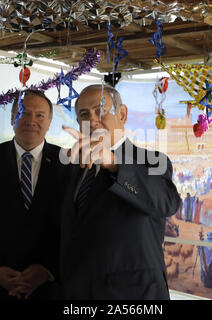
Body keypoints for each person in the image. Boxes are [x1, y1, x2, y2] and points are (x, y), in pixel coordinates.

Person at [59, 84, 180, 299]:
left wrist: (114, 163)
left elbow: (167, 203)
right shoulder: (73, 169)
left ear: (122, 114)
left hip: (133, 294)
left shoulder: (152, 161)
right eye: (84, 115)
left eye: (100, 110)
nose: (93, 120)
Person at [0, 90, 64, 300]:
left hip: (47, 290)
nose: (31, 121)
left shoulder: (67, 163)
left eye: (40, 115)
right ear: (11, 117)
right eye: (23, 113)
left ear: (49, 121)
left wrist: (47, 270)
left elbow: (71, 226)